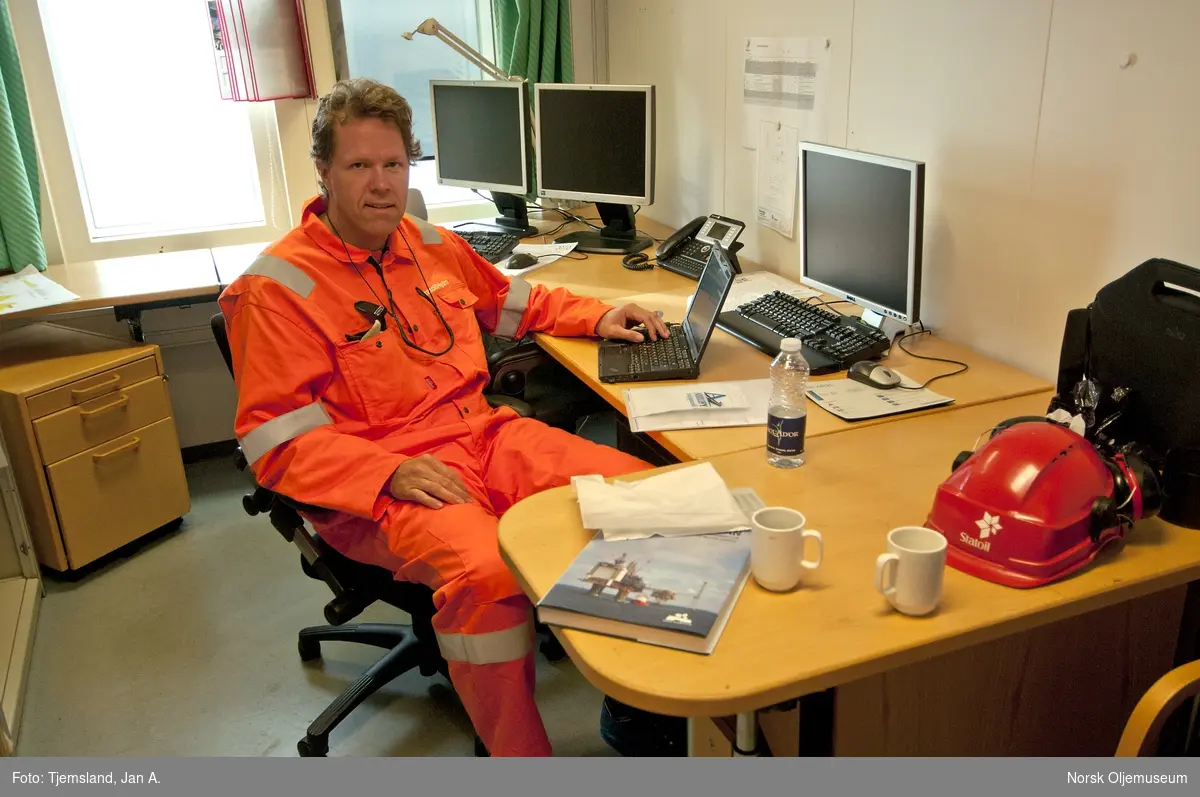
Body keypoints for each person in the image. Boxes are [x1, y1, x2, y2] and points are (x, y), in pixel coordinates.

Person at [218, 77, 670, 757]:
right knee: (489, 575)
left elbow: (516, 302)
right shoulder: (276, 288)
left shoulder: (429, 242)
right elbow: (276, 445)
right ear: (323, 172)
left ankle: (635, 711)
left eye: (394, 164)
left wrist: (600, 314)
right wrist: (387, 471)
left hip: (484, 434)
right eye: (359, 166)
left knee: (640, 497)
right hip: (381, 480)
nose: (380, 185)